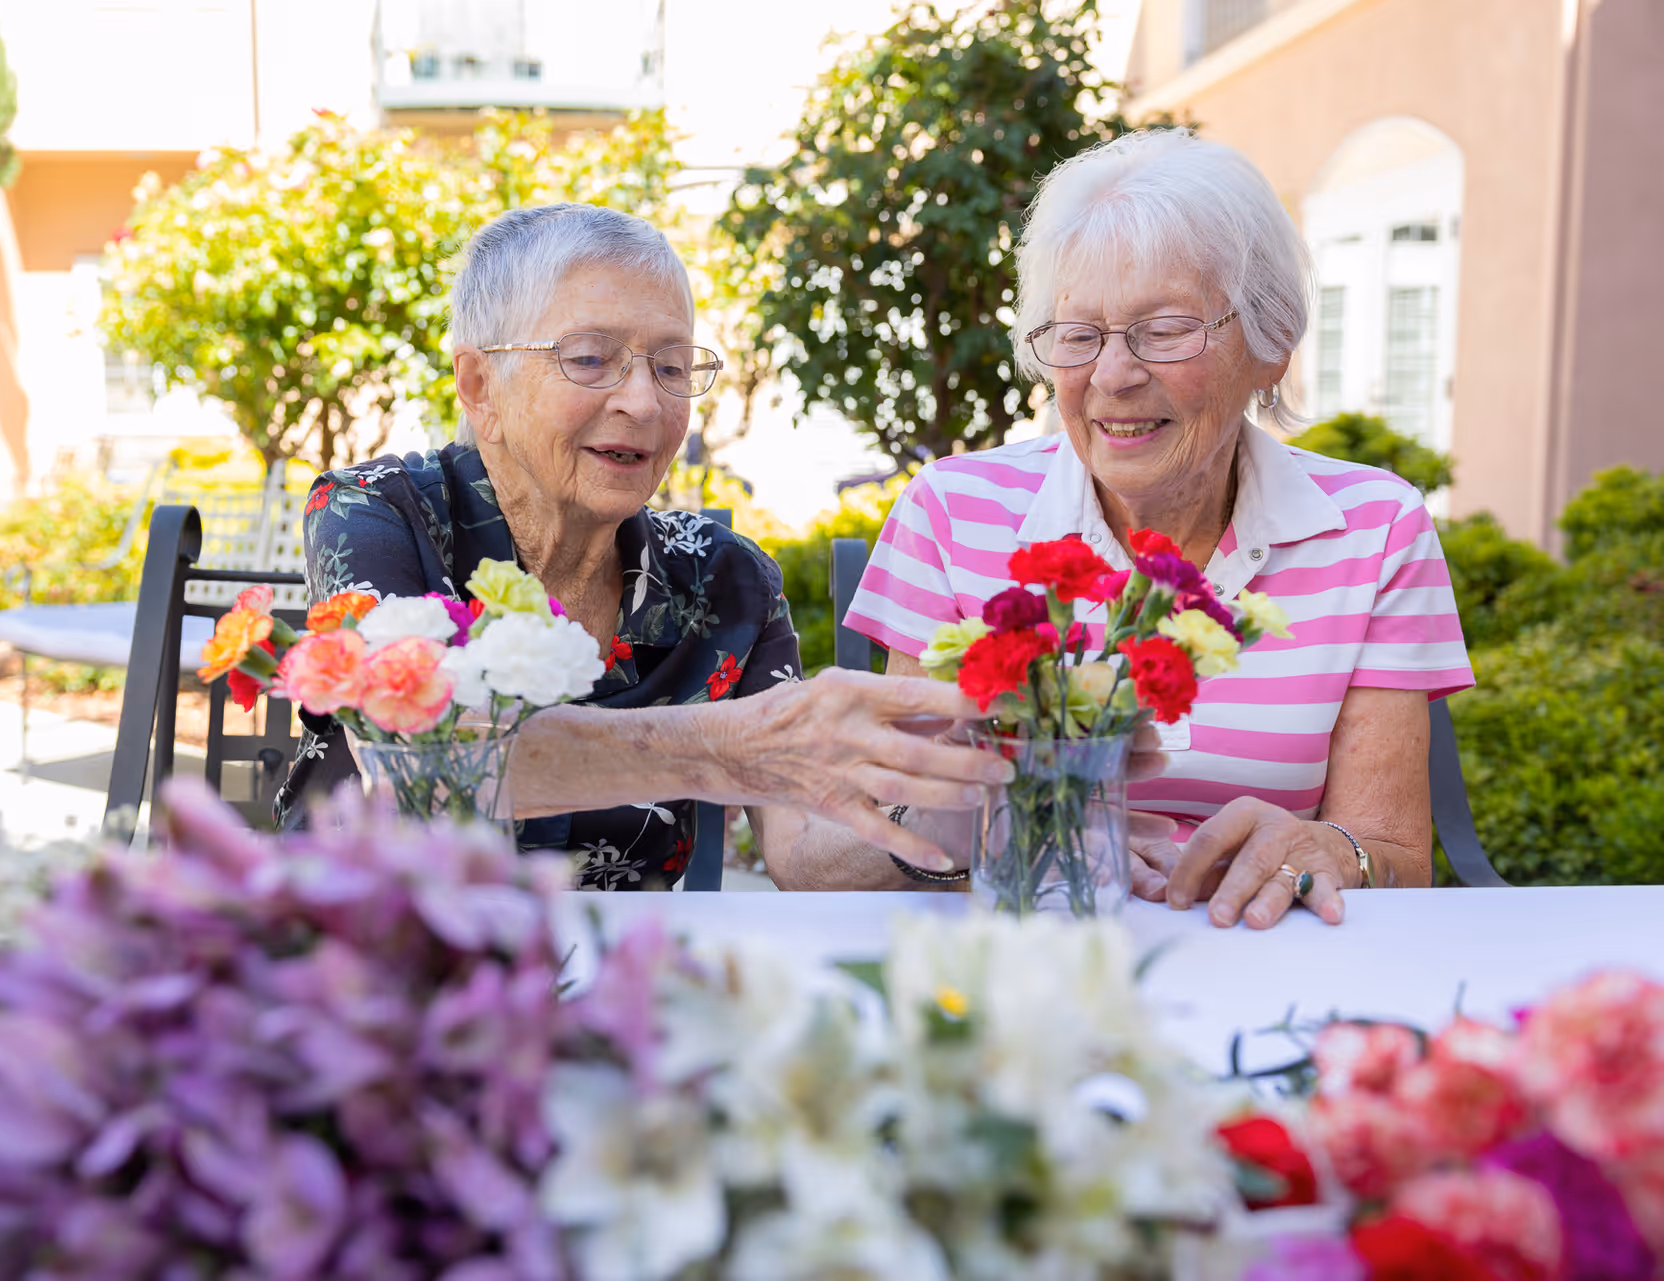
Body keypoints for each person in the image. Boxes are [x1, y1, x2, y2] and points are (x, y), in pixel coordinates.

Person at [789, 130, 1473, 927]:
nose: (1114, 376)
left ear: (1272, 341)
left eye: (1166, 328)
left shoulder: (1375, 527)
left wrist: (1329, 852)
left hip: (1263, 951)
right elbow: (894, 835)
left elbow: (1393, 858)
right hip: (1028, 952)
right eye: (1079, 336)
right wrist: (989, 816)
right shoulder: (951, 510)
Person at [275, 202, 1006, 889]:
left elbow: (802, 849)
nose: (644, 403)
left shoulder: (727, 580)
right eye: (590, 359)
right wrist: (728, 743)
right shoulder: (373, 512)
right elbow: (420, 764)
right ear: (480, 387)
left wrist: (963, 809)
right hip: (365, 970)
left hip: (621, 989)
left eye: (671, 366)